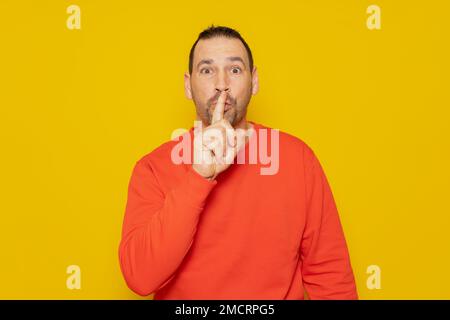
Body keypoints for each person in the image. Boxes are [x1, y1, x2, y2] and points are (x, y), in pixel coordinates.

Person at [118, 25, 358, 300]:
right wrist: (199, 176)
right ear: (188, 85)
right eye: (207, 70)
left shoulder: (298, 159)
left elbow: (331, 277)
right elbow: (140, 276)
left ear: (254, 81)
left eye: (234, 70)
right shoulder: (153, 168)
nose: (222, 83)